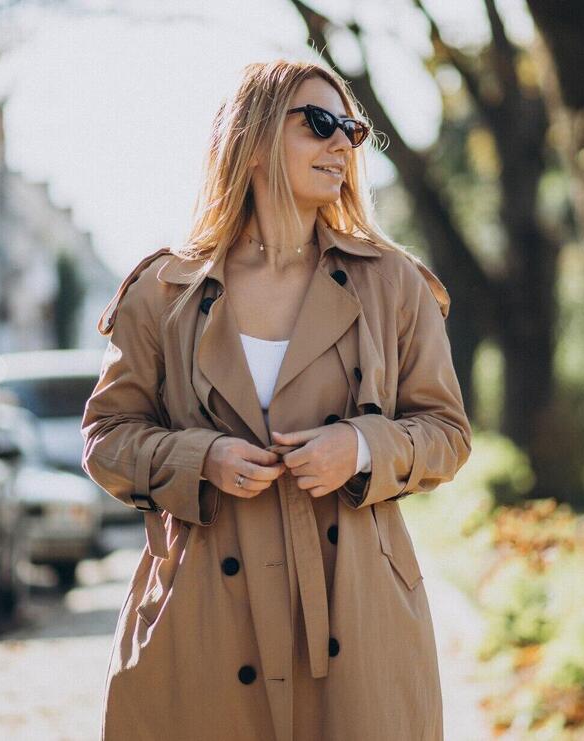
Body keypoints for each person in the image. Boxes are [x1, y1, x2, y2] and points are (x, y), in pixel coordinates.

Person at [81, 58, 472, 741]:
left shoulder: (394, 285)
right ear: (253, 138)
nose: (341, 145)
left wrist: (357, 447)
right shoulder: (163, 291)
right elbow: (106, 438)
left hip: (357, 615)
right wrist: (201, 458)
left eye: (350, 129)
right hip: (202, 615)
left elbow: (447, 431)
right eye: (319, 124)